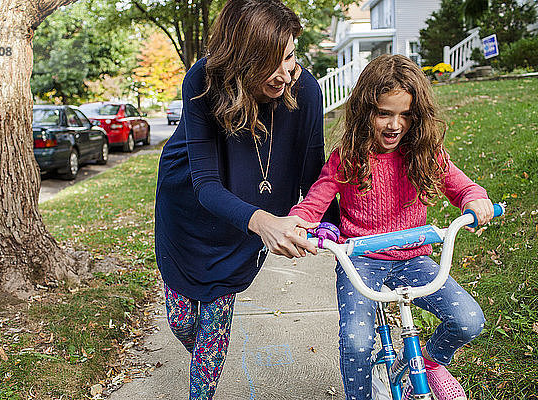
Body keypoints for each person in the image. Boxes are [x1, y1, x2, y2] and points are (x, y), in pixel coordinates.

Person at [154, 0, 338, 398]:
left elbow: (313, 170)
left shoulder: (304, 89)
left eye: (289, 57)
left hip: (245, 214)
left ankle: (203, 383)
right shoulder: (202, 82)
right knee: (182, 322)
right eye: (268, 64)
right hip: (189, 208)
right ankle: (204, 352)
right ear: (239, 62)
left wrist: (340, 226)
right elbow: (204, 183)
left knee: (214, 323)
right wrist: (265, 223)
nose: (284, 74)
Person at [289, 54, 495, 400]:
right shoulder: (349, 157)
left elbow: (461, 186)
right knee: (356, 341)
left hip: (414, 258)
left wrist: (474, 199)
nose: (394, 124)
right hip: (362, 261)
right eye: (384, 113)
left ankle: (423, 364)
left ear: (418, 116)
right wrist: (298, 224)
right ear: (366, 111)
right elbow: (316, 201)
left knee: (468, 319)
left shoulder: (426, 152)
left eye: (405, 114)